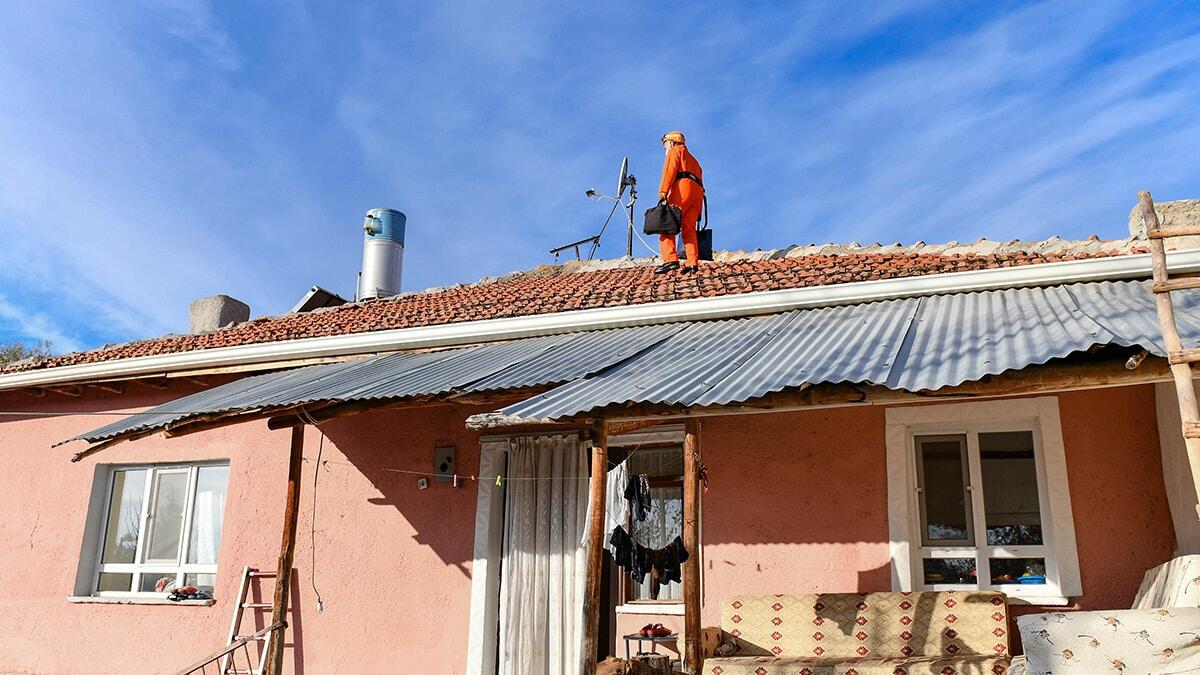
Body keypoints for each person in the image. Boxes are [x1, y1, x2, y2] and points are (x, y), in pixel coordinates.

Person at [655, 130, 703, 274]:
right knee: (688, 229)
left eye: (665, 146)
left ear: (670, 142)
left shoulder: (675, 151)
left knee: (667, 224)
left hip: (682, 190)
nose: (665, 149)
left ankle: (670, 260)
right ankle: (692, 262)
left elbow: (669, 171)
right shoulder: (694, 161)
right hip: (697, 195)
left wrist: (663, 191)